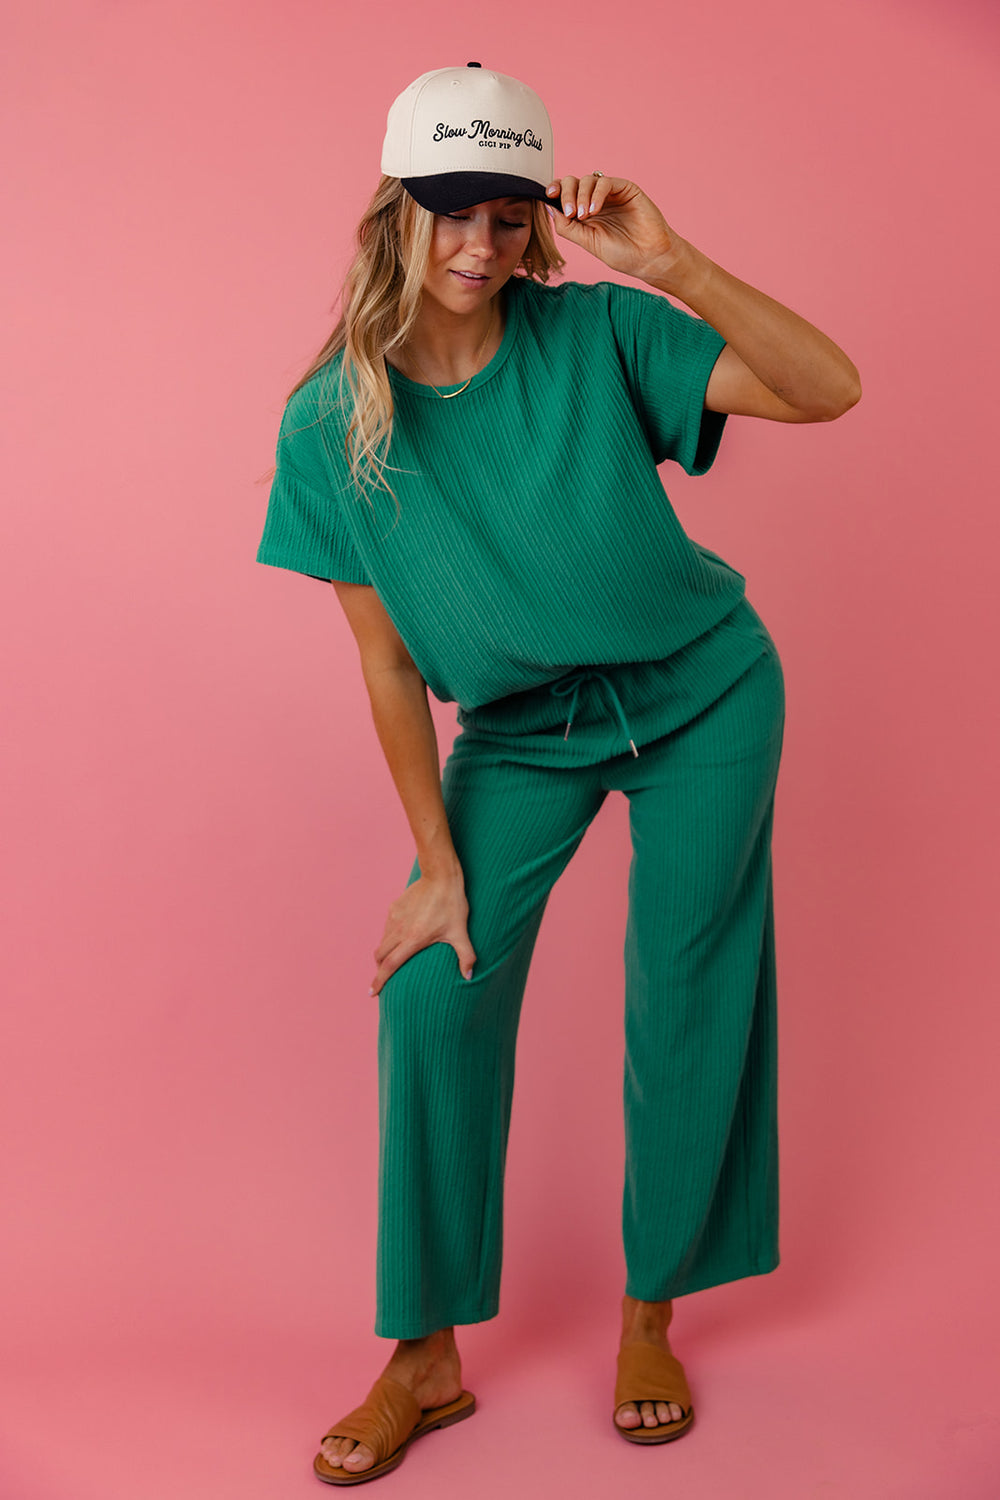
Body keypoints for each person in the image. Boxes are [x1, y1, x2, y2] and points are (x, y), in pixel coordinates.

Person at [256, 62, 860, 1486]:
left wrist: (673, 263)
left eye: (508, 216)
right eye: (452, 212)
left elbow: (830, 388)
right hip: (522, 729)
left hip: (705, 690)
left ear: (537, 224)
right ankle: (426, 1354)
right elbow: (389, 665)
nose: (480, 247)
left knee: (689, 987)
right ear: (396, 212)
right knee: (434, 986)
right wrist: (436, 865)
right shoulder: (329, 422)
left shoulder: (596, 333)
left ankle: (652, 1318)